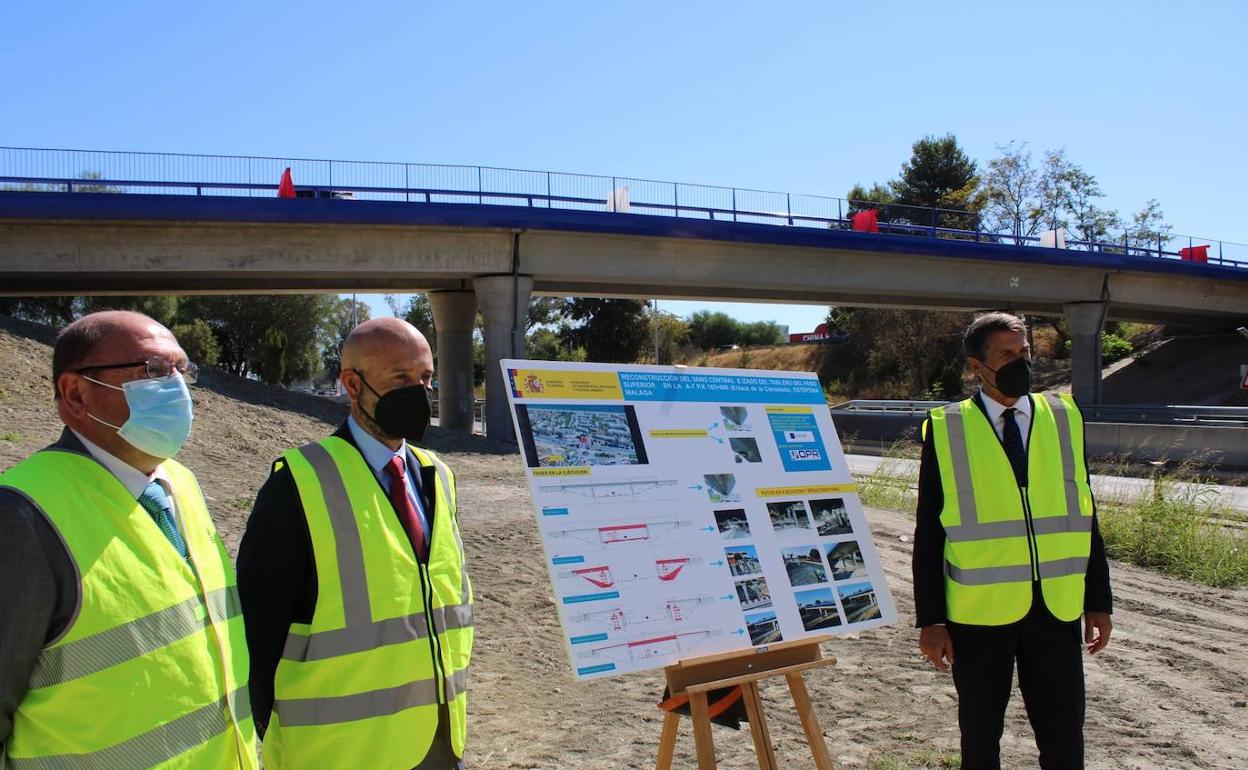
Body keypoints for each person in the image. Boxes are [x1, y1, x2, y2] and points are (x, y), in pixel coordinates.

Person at [0, 311, 257, 768]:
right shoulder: (22, 514)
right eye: (154, 370)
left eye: (183, 369)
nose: (176, 386)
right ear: (76, 394)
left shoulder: (181, 484)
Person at [237, 318, 473, 770]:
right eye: (401, 378)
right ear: (352, 384)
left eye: (425, 378)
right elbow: (259, 634)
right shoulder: (298, 485)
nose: (419, 393)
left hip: (439, 740)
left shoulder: (437, 476)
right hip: (341, 751)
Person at [912, 312, 1113, 770]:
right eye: (1006, 354)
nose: (1021, 361)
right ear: (976, 367)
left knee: (1064, 736)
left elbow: (1085, 512)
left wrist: (1098, 599)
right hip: (979, 616)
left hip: (1056, 610)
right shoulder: (946, 428)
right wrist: (932, 619)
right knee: (981, 738)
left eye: (1024, 352)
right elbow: (929, 532)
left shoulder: (1064, 416)